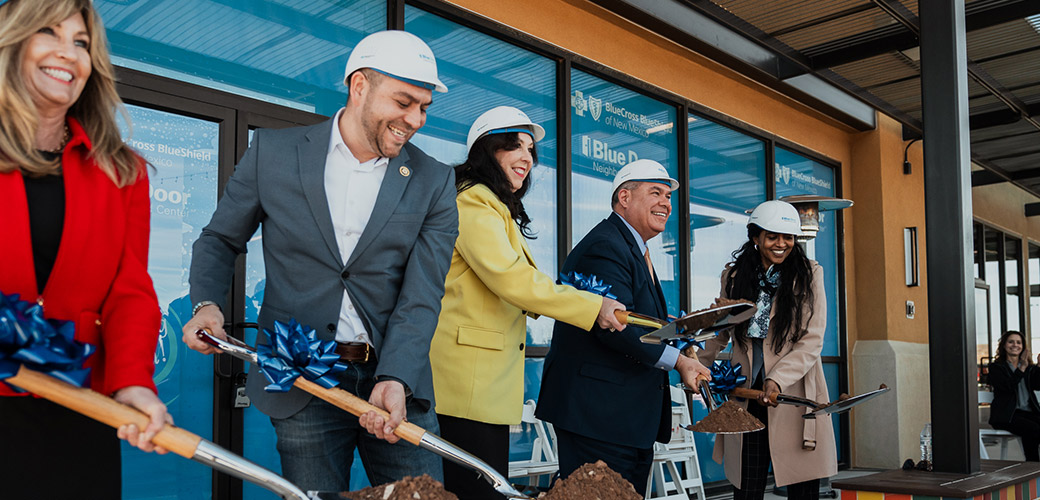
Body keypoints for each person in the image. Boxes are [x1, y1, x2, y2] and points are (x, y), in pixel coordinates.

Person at [180, 30, 458, 492]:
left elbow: (423, 291)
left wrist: (394, 377)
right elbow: (219, 240)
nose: (416, 119)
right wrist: (206, 303)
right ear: (359, 86)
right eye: (404, 101)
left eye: (424, 107)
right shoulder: (272, 153)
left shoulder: (434, 179)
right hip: (303, 379)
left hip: (394, 383)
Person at [0, 0, 169, 497]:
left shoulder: (121, 172)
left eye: (81, 43)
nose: (69, 54)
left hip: (76, 413)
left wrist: (133, 382)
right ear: (4, 38)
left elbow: (130, 294)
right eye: (48, 33)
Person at [430, 106, 627, 500]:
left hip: (479, 386)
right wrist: (591, 307)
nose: (528, 158)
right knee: (476, 493)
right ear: (488, 150)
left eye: (531, 150)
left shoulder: (492, 204)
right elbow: (512, 280)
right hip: (467, 385)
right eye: (515, 146)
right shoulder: (472, 201)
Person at [535, 159, 712, 495]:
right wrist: (679, 361)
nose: (666, 202)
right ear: (624, 198)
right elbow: (616, 326)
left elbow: (642, 321)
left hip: (622, 420)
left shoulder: (630, 247)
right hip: (599, 420)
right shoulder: (605, 246)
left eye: (668, 196)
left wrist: (682, 336)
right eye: (655, 192)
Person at [698, 200, 836, 500]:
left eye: (788, 237)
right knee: (747, 487)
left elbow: (813, 339)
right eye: (772, 236)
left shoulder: (809, 273)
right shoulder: (734, 277)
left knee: (802, 488)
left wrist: (777, 379)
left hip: (793, 392)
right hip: (746, 392)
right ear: (756, 237)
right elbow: (721, 328)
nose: (781, 244)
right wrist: (696, 364)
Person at [987, 331, 1040, 462]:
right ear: (1004, 345)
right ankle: (1032, 468)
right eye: (1011, 341)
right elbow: (1007, 387)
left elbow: (1038, 385)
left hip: (1028, 413)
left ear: (1023, 346)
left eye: (1019, 342)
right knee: (1032, 429)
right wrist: (1021, 369)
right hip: (1007, 415)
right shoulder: (996, 367)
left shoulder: (1028, 367)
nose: (1015, 345)